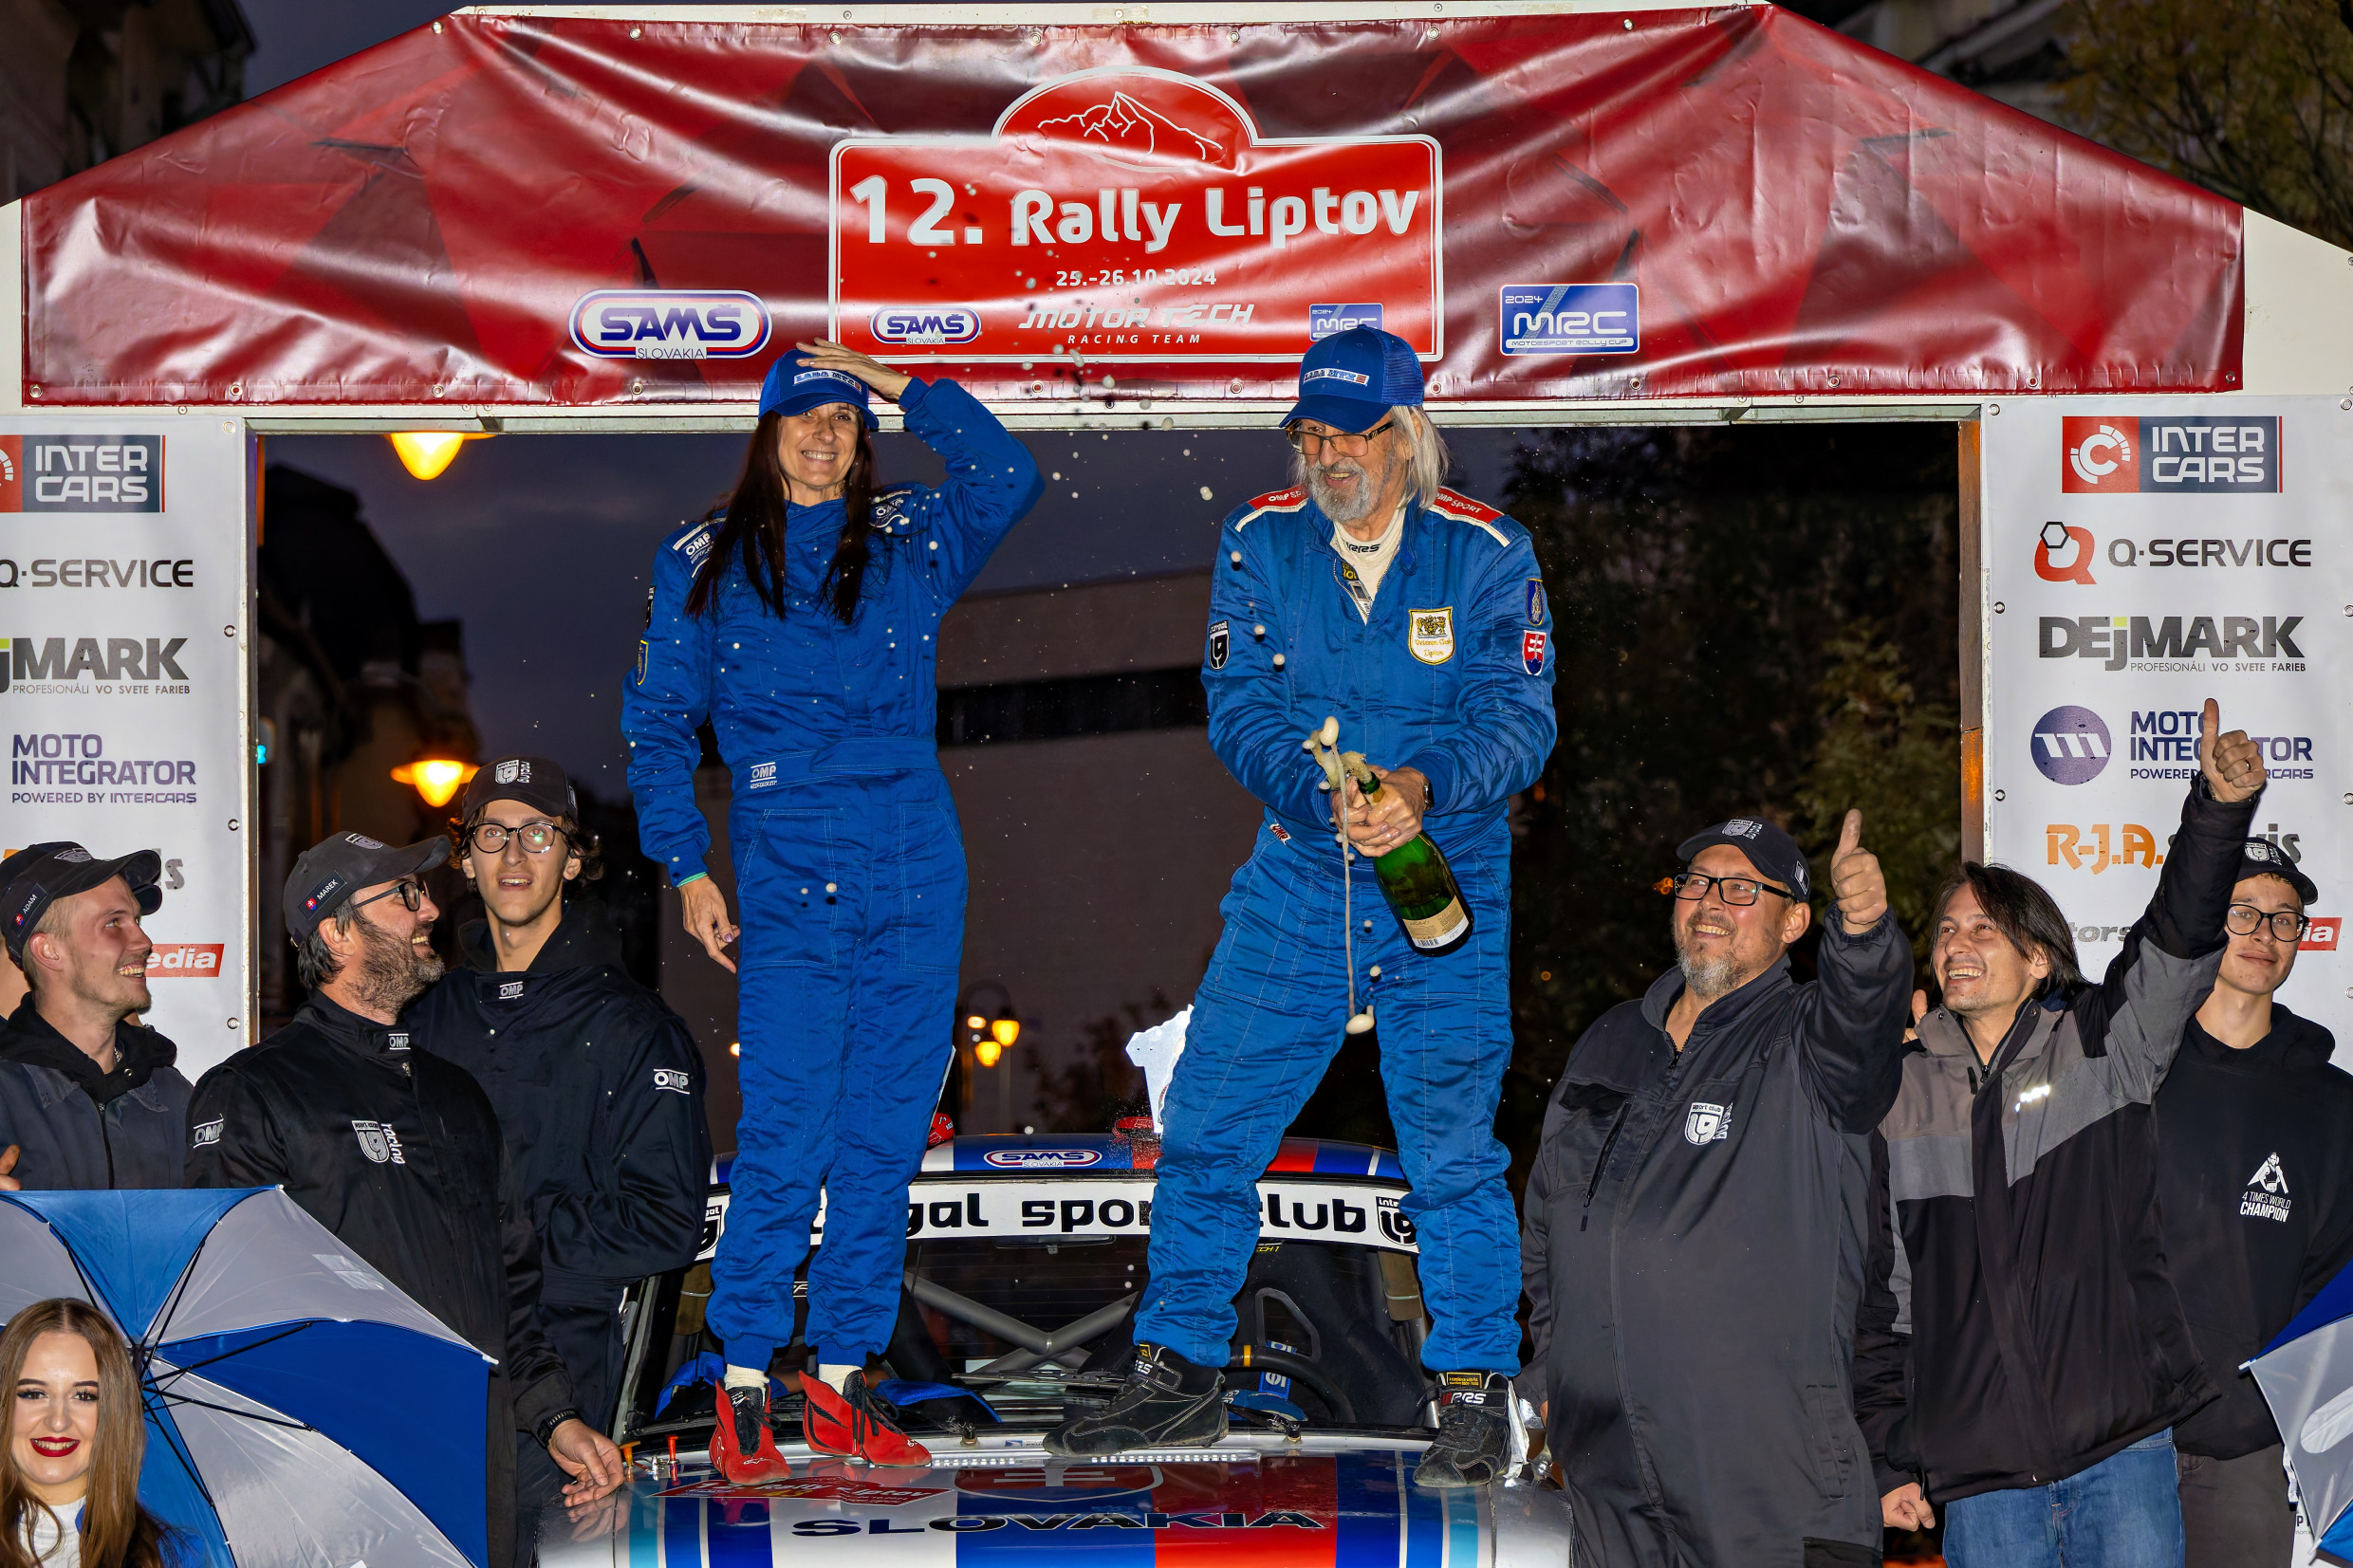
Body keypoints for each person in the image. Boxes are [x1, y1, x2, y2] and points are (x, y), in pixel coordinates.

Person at [1046, 325, 1557, 1485]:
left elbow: (1520, 720)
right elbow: (1235, 703)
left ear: (1405, 435)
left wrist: (1421, 788)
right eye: (1310, 435)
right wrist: (1312, 791)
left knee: (1449, 1150)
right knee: (1206, 1124)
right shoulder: (1257, 539)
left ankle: (1474, 1391)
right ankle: (1179, 1367)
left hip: (1443, 879)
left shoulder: (1488, 551)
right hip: (1298, 875)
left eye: (1350, 436)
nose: (1326, 457)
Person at [622, 340, 1041, 1475]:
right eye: (805, 416)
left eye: (846, 419)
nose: (824, 434)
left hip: (912, 847)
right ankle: (743, 1381)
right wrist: (686, 866)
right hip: (786, 846)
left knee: (885, 1132)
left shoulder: (908, 536)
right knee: (789, 1126)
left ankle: (843, 1377)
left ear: (866, 441)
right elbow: (657, 723)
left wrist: (909, 389)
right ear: (766, 436)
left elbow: (1007, 476)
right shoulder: (703, 556)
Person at [1861, 699, 2267, 1568]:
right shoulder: (1898, 1096)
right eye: (1947, 929)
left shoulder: (2096, 1048)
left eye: (1984, 927)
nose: (1956, 942)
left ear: (2038, 957)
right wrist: (1889, 1453)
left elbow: (2175, 943)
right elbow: (1884, 1300)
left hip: (2120, 1453)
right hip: (1980, 1480)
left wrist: (2218, 812)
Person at [185, 833, 623, 1568]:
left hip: (475, 1483)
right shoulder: (253, 1090)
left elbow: (510, 1296)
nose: (429, 910)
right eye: (404, 895)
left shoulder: (457, 1095)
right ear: (336, 930)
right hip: (340, 1495)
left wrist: (555, 1418)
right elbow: (231, 1318)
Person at [1519, 808, 1910, 1564]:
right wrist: (1555, 1367)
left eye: (1740, 888)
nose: (1709, 901)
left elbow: (1864, 1023)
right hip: (1609, 1485)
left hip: (1766, 1483)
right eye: (1697, 882)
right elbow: (1547, 1226)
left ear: (1794, 922)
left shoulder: (1808, 1039)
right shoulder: (1612, 1038)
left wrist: (1863, 935)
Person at [408, 756, 711, 1558]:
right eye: (492, 834)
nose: (513, 855)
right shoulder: (423, 1018)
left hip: (566, 1398)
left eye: (538, 834)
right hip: (427, 1376)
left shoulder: (635, 1027)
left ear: (573, 859)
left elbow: (667, 1221)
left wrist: (506, 1235)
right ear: (465, 858)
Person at [2154, 839, 2350, 1567]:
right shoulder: (2134, 1071)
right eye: (2243, 912)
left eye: (2284, 918)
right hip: (2116, 1447)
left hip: (2248, 1452)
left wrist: (2277, 1416)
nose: (2265, 933)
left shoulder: (2333, 1105)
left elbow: (2335, 1289)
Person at [0, 844, 188, 1193]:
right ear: (48, 950)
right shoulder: (6, 1095)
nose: (144, 941)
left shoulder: (174, 1095)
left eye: (136, 921)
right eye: (113, 923)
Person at [2, 1297, 188, 1567]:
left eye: (84, 1396)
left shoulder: (169, 1558)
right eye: (34, 1393)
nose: (57, 1421)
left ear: (112, 1412)